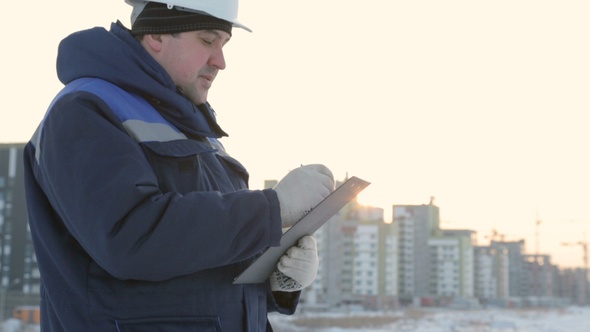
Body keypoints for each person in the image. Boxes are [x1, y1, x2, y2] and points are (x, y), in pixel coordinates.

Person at [23, 0, 335, 330]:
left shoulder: (192, 127)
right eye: (207, 40)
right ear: (156, 35)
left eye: (224, 44)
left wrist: (272, 278)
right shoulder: (85, 111)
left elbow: (194, 265)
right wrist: (271, 209)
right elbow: (131, 240)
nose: (221, 61)